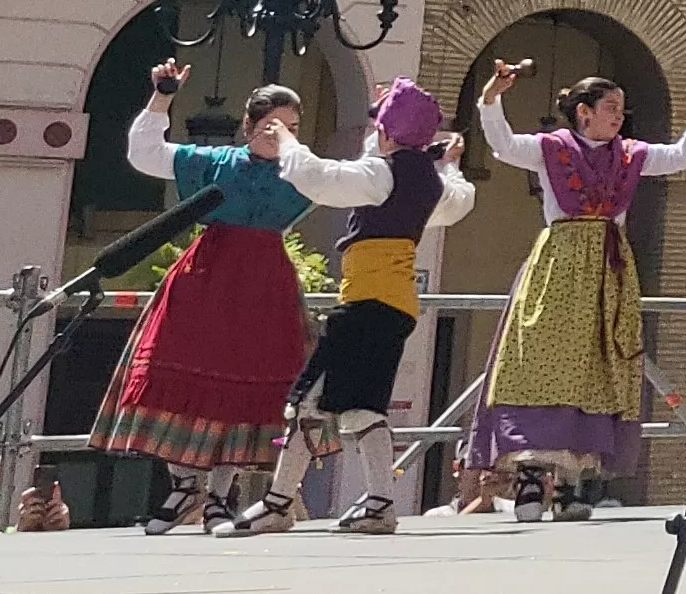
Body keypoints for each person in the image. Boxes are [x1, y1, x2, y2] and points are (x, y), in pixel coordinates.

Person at [224, 76, 475, 537]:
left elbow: (321, 179)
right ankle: (380, 502)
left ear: (387, 133)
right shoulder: (427, 181)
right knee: (364, 407)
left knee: (306, 400)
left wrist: (286, 140)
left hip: (366, 301)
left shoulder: (383, 174)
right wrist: (451, 165)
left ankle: (279, 504)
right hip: (395, 304)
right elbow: (457, 199)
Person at [469, 55, 686, 521]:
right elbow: (501, 145)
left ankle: (573, 479)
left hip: (608, 273)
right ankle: (529, 473)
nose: (619, 116)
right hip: (559, 268)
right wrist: (491, 98)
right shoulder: (549, 149)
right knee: (539, 361)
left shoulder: (630, 156)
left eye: (621, 109)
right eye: (610, 107)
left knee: (596, 368)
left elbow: (682, 155)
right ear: (583, 111)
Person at [97, 68, 312, 536]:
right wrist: (161, 97)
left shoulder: (302, 170)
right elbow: (146, 153)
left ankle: (220, 493)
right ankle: (184, 486)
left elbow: (361, 181)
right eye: (275, 125)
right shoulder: (211, 161)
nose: (284, 136)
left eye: (293, 128)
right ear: (250, 124)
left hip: (264, 286)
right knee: (180, 370)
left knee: (245, 381)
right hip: (207, 277)